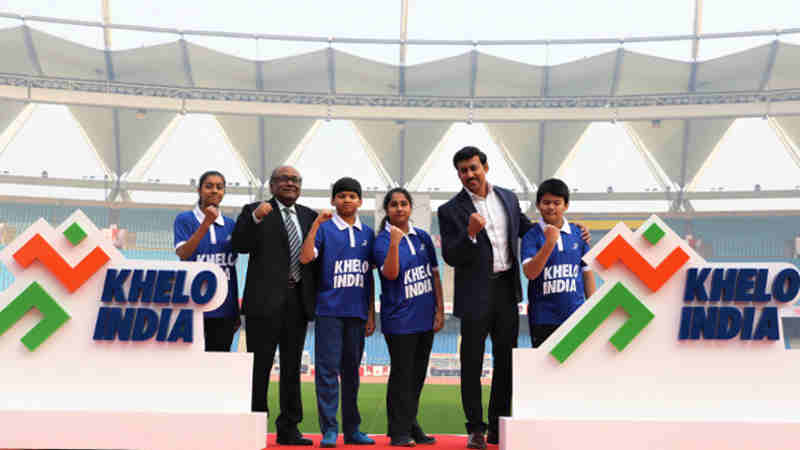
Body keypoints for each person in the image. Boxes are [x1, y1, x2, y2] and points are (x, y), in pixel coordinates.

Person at [437, 147, 590, 449]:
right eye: (462, 170)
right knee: (471, 363)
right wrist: (469, 234)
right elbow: (450, 256)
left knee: (506, 361)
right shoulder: (449, 210)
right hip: (473, 294)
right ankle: (475, 429)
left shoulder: (507, 197)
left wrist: (570, 230)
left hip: (506, 290)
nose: (469, 175)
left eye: (473, 168)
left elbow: (531, 230)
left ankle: (497, 425)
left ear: (485, 167)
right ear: (458, 174)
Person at [231, 165, 316, 446]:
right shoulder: (254, 210)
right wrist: (255, 218)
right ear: (272, 185)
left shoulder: (309, 216)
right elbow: (240, 245)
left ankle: (289, 428)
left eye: (295, 179)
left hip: (297, 303)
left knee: (292, 369)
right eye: (284, 179)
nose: (290, 183)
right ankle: (254, 425)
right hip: (263, 304)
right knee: (259, 368)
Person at [299, 177, 376, 448]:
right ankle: (330, 429)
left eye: (352, 196)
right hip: (329, 311)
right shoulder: (325, 228)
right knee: (327, 371)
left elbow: (370, 277)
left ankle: (353, 430)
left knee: (352, 374)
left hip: (357, 313)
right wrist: (316, 225)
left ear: (360, 201)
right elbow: (306, 257)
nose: (346, 200)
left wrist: (371, 313)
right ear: (333, 200)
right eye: (341, 195)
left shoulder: (368, 233)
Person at [373, 188, 444, 447]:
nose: (399, 208)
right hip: (400, 319)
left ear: (410, 208)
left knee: (416, 377)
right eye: (394, 205)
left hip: (425, 317)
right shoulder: (381, 240)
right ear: (387, 210)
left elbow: (435, 276)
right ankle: (398, 431)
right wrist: (394, 241)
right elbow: (390, 275)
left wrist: (439, 310)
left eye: (404, 204)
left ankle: (411, 424)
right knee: (402, 376)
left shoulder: (423, 238)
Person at [521, 178, 596, 348]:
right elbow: (530, 273)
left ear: (566, 205)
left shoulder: (579, 234)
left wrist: (592, 308)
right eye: (546, 202)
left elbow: (587, 273)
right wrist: (549, 242)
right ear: (538, 205)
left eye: (557, 202)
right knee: (545, 371)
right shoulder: (531, 236)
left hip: (575, 316)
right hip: (543, 318)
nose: (551, 207)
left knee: (575, 370)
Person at [174, 170, 239, 352]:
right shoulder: (185, 219)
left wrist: (235, 310)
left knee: (218, 365)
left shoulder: (230, 225)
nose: (214, 191)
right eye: (209, 186)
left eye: (220, 187)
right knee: (190, 365)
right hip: (193, 307)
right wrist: (206, 224)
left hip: (224, 309)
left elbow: (231, 272)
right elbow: (183, 254)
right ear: (199, 190)